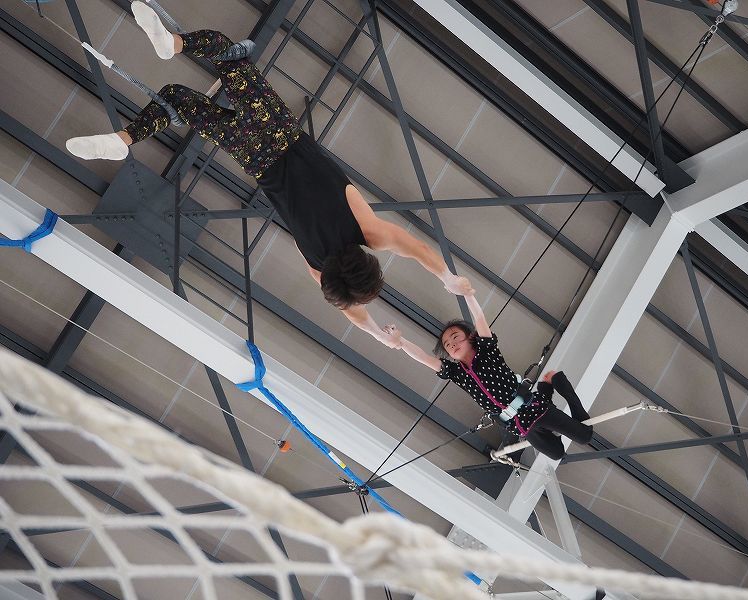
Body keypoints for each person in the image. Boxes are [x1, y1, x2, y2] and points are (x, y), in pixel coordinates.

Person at [66, 2, 471, 348]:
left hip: (278, 130)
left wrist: (447, 277)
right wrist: (377, 335)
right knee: (178, 100)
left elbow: (413, 248)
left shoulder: (367, 230)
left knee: (228, 54)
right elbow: (350, 312)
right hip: (253, 159)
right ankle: (124, 138)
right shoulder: (316, 262)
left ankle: (174, 44)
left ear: (368, 260)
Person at [383, 293, 593, 460]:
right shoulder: (458, 374)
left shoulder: (486, 351)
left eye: (455, 338)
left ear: (470, 337)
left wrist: (467, 295)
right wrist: (401, 342)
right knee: (557, 454)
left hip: (532, 407)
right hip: (519, 424)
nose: (452, 344)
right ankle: (546, 387)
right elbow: (424, 358)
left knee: (585, 436)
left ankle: (557, 381)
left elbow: (480, 319)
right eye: (447, 345)